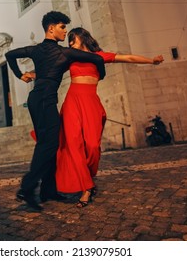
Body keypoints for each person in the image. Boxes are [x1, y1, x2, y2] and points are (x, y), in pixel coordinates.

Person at [5, 12, 106, 211]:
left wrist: (21, 75)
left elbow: (9, 55)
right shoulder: (65, 54)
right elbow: (97, 59)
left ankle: (48, 190)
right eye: (62, 27)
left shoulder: (35, 50)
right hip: (44, 100)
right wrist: (100, 75)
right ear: (51, 28)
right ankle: (27, 187)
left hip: (38, 100)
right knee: (48, 144)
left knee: (51, 142)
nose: (65, 31)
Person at [56, 27, 164, 208]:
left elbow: (128, 58)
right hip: (72, 103)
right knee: (74, 145)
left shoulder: (99, 56)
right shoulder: (71, 57)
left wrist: (151, 61)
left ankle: (88, 178)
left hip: (90, 103)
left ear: (82, 38)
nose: (70, 44)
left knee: (91, 145)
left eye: (72, 40)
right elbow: (53, 70)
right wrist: (34, 75)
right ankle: (86, 188)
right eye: (69, 42)